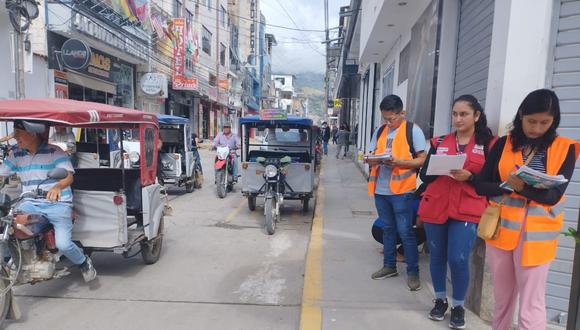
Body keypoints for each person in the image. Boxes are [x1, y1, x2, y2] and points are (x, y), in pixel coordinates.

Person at [475, 89, 579, 330]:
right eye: (531, 121)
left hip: (537, 238)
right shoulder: (503, 144)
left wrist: (521, 188)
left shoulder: (566, 148)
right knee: (502, 301)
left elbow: (554, 196)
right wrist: (509, 187)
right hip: (501, 233)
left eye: (545, 122)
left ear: (555, 121)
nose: (537, 127)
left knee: (531, 305)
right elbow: (481, 185)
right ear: (521, 115)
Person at [417, 95, 495, 329]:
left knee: (458, 258)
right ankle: (440, 300)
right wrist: (438, 167)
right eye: (455, 114)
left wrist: (470, 176)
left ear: (477, 116)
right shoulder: (439, 142)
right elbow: (424, 177)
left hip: (468, 208)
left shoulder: (490, 144)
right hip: (437, 205)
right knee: (437, 255)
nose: (458, 119)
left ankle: (458, 305)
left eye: (464, 114)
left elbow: (493, 181)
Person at [0, 120, 97, 282]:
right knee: (9, 223)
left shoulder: (55, 152)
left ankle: (83, 262)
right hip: (30, 203)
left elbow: (68, 175)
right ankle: (18, 261)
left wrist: (57, 187)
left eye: (18, 133)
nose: (15, 137)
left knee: (64, 244)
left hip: (58, 204)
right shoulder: (16, 153)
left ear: (32, 133)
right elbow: (2, 173)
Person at [364, 94, 427, 291]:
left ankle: (413, 272)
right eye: (385, 118)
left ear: (402, 113)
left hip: (402, 191)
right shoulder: (380, 131)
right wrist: (372, 159)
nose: (389, 122)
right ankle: (389, 266)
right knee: (388, 230)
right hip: (381, 190)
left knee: (405, 232)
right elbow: (371, 154)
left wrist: (400, 163)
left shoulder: (412, 131)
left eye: (392, 118)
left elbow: (422, 160)